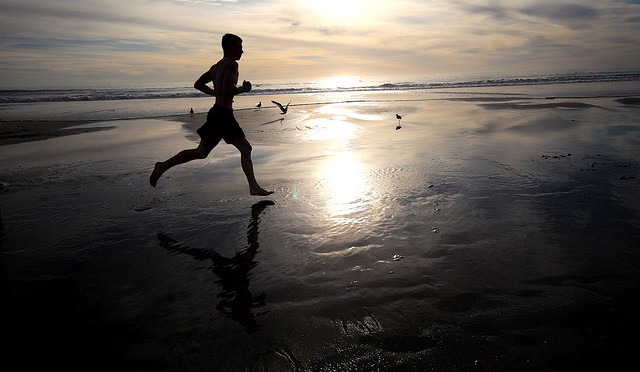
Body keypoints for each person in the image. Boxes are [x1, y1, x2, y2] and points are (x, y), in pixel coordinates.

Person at [150, 33, 273, 196]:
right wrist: (245, 89)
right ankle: (253, 187)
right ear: (230, 47)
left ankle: (163, 166)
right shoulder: (232, 65)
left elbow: (198, 84)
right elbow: (228, 90)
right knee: (245, 148)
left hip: (216, 113)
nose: (242, 51)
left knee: (201, 152)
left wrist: (216, 93)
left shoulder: (216, 67)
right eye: (239, 47)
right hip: (223, 115)